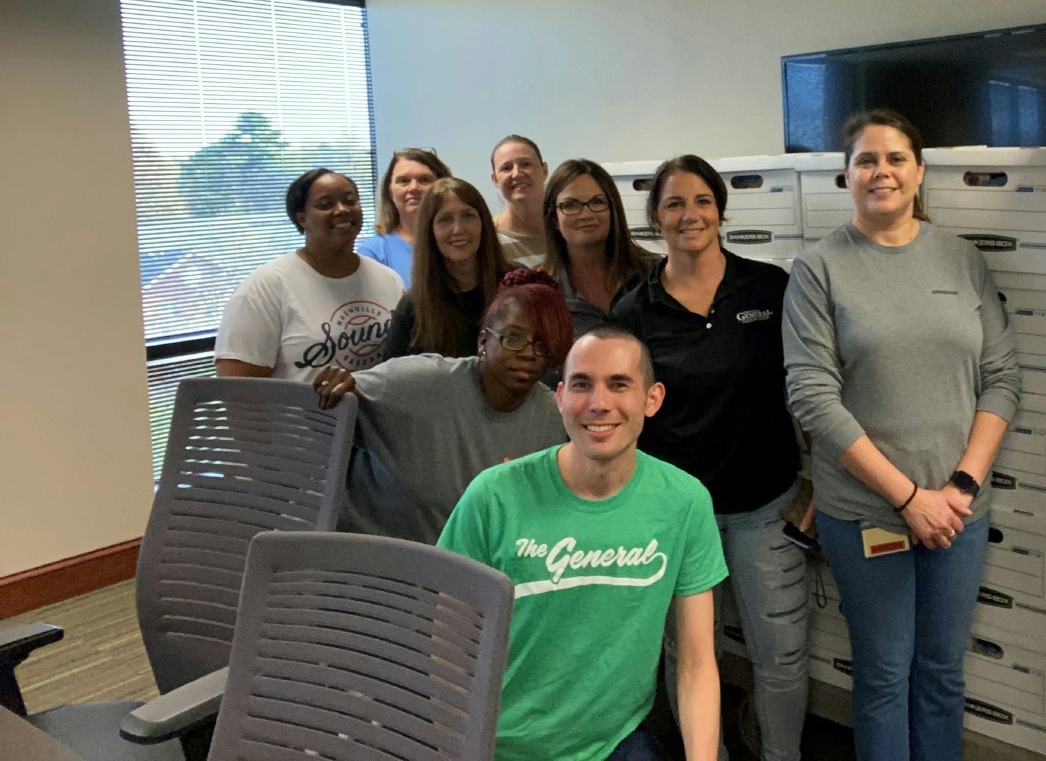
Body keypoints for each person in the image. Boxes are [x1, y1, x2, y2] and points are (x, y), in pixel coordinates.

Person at [782, 109, 1022, 761]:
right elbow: (811, 395)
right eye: (866, 159)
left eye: (895, 158)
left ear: (919, 171)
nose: (880, 170)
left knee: (942, 673)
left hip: (958, 514)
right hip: (868, 516)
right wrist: (910, 497)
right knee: (885, 676)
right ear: (846, 175)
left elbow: (1001, 377)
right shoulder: (818, 269)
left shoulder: (961, 258)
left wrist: (960, 486)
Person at [439, 326, 728, 761]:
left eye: (619, 384)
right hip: (498, 744)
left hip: (614, 741)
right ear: (559, 398)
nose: (598, 403)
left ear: (653, 399)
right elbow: (444, 648)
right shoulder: (494, 497)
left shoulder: (684, 502)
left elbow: (696, 664)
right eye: (581, 385)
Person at [611, 155, 808, 761]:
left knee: (781, 656)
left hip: (765, 508)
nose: (689, 214)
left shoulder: (770, 288)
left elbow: (811, 385)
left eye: (701, 200)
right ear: (654, 219)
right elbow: (623, 412)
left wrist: (815, 487)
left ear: (720, 210)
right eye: (673, 203)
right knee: (692, 656)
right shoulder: (635, 309)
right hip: (677, 517)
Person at [311, 269, 569, 545]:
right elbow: (326, 408)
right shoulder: (416, 383)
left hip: (468, 571)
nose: (528, 353)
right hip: (369, 564)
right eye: (513, 338)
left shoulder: (554, 418)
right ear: (483, 341)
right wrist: (335, 385)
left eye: (541, 346)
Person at [215, 168, 404, 381]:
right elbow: (238, 393)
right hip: (301, 415)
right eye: (325, 205)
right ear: (302, 218)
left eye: (350, 201)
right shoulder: (264, 289)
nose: (342, 210)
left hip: (379, 414)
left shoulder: (389, 280)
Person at [380, 177, 511, 359]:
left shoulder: (516, 284)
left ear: (484, 224)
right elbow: (391, 379)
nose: (458, 229)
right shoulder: (413, 306)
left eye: (468, 216)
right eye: (445, 220)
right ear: (430, 231)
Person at [541, 158, 652, 341]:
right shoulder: (541, 292)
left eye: (598, 202)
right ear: (553, 218)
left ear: (613, 209)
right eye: (570, 205)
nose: (586, 214)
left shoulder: (655, 275)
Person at [357, 147, 452, 285]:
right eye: (403, 181)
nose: (414, 188)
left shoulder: (458, 241)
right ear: (389, 192)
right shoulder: (373, 252)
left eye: (424, 180)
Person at [491, 133, 549, 268]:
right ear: (495, 179)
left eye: (526, 164)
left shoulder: (567, 226)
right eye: (506, 168)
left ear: (544, 170)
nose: (517, 173)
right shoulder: (489, 240)